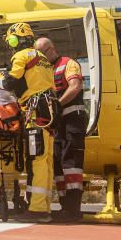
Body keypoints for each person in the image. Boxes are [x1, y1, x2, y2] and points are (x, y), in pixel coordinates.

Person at [3, 22, 57, 223]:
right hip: (49, 114)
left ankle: (36, 210)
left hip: (35, 114)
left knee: (36, 161)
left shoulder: (22, 55)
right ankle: (43, 206)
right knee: (46, 161)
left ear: (15, 39)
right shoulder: (43, 57)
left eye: (10, 40)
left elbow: (10, 82)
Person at [35, 37, 86, 223]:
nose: (41, 57)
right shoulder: (44, 71)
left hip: (72, 119)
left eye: (43, 53)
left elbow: (75, 86)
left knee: (71, 164)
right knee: (57, 164)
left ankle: (74, 209)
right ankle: (66, 207)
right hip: (57, 123)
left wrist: (57, 104)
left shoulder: (68, 64)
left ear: (52, 49)